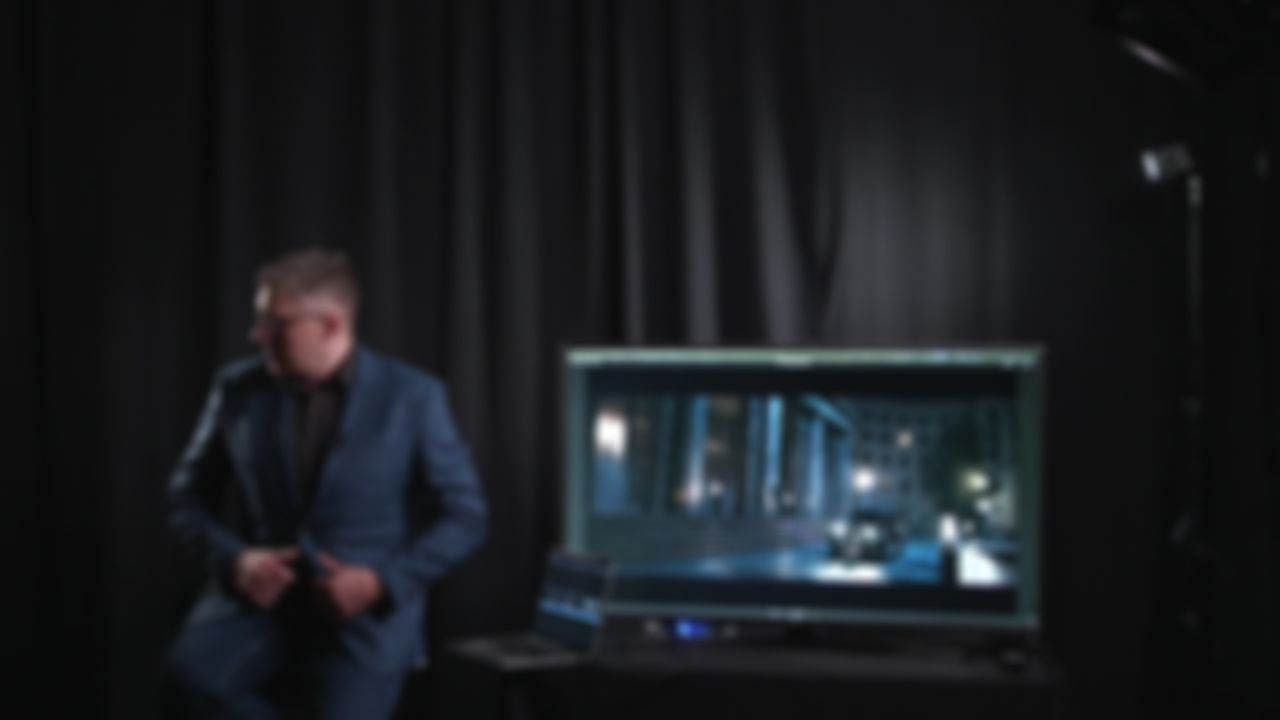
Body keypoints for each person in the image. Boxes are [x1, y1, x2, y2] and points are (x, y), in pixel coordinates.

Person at [163, 249, 487, 719]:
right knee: (189, 682)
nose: (257, 336)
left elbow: (467, 517)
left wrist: (382, 583)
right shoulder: (236, 389)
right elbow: (186, 497)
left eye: (275, 323)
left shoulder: (414, 397)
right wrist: (235, 561)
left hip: (364, 619)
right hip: (260, 603)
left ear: (331, 325)